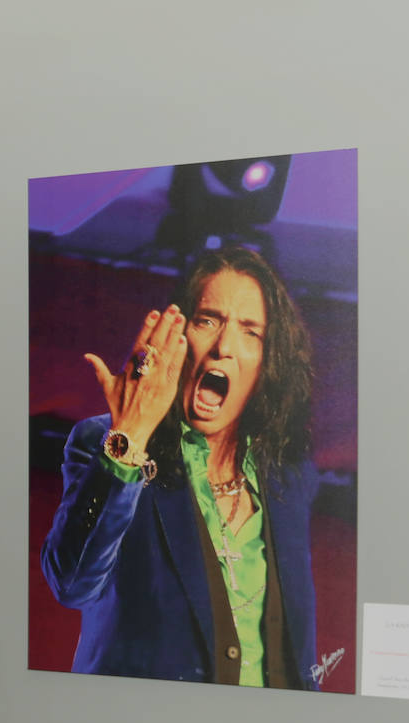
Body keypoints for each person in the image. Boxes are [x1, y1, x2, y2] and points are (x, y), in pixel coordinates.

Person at [40, 246, 318, 689]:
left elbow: (297, 650)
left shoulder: (288, 472)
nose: (223, 347)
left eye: (251, 332)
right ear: (179, 335)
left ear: (269, 363)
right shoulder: (106, 442)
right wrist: (129, 437)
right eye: (208, 320)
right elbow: (71, 584)